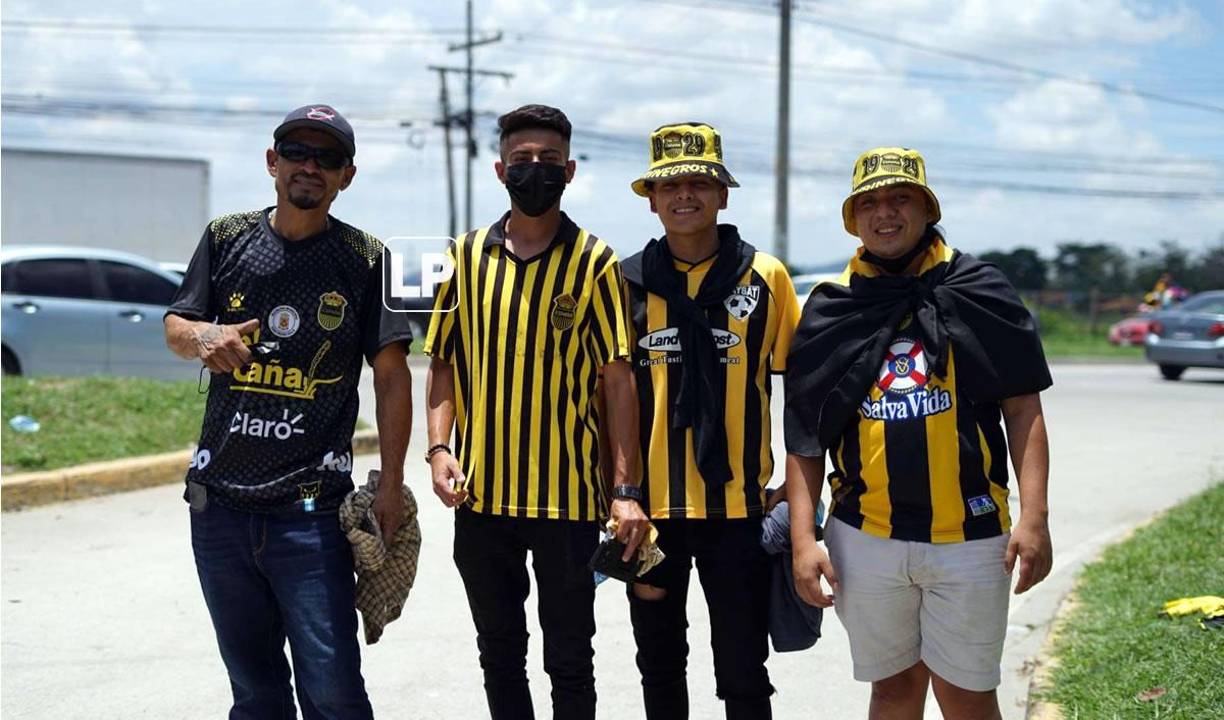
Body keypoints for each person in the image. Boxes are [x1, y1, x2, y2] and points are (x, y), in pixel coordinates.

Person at [785, 147, 1054, 720]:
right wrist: (804, 542)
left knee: (968, 696)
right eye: (870, 202)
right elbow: (805, 437)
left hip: (972, 536)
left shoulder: (979, 288)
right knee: (894, 691)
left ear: (927, 208)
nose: (885, 213)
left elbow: (1023, 408)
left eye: (900, 198)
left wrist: (1035, 519)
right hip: (865, 539)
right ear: (853, 217)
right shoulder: (831, 307)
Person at [163, 104, 414, 720]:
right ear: (272, 162)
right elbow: (175, 324)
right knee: (255, 694)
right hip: (219, 506)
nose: (310, 166)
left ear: (346, 176)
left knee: (332, 694)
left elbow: (390, 374)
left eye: (326, 158)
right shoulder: (226, 237)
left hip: (313, 514)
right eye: (297, 152)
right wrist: (205, 338)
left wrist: (394, 480)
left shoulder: (366, 257)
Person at [422, 104, 647, 720]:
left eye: (549, 161)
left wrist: (624, 489)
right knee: (499, 651)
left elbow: (618, 381)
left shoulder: (596, 262)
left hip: (569, 502)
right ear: (500, 170)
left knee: (570, 658)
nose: (535, 172)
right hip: (483, 501)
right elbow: (442, 365)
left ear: (569, 171)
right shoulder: (464, 258)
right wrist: (440, 450)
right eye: (522, 161)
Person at [619, 122, 801, 720]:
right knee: (659, 663)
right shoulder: (623, 283)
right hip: (650, 513)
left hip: (739, 511)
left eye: (699, 182)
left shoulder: (766, 278)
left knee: (745, 668)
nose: (685, 195)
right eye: (669, 185)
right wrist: (617, 494)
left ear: (723, 193)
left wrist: (796, 494)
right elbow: (607, 398)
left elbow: (799, 391)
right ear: (650, 199)